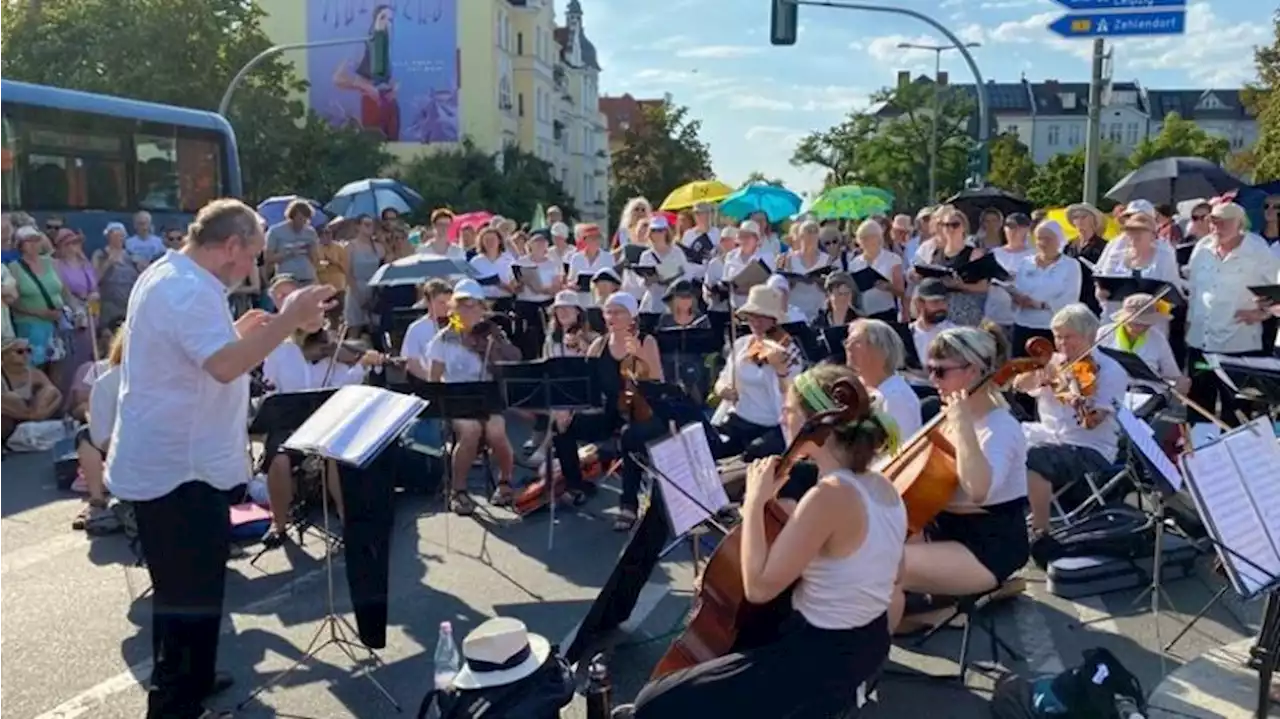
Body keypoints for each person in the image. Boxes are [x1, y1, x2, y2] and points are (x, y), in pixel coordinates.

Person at [105, 199, 335, 719]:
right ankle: (175, 705)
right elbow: (225, 367)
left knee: (202, 584)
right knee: (186, 595)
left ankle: (198, 677)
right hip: (176, 471)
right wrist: (287, 320)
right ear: (230, 246)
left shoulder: (173, 273)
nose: (254, 267)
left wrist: (241, 332)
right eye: (253, 254)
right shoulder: (186, 289)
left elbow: (199, 355)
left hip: (183, 463)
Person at [624, 364, 905, 718]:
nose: (782, 416)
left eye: (788, 409)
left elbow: (757, 588)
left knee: (654, 703)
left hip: (821, 660)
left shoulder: (829, 496)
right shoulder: (884, 486)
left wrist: (756, 504)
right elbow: (892, 576)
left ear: (813, 425)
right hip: (869, 644)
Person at [895, 324, 1029, 627]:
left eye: (941, 372)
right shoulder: (946, 414)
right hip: (943, 530)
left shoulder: (1001, 429)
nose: (932, 379)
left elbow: (978, 490)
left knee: (879, 563)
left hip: (985, 546)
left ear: (972, 371)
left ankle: (949, 611)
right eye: (930, 370)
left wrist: (964, 426)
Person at [548, 291, 667, 531]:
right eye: (608, 312)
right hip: (612, 410)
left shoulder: (646, 341)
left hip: (646, 410)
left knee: (629, 435)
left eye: (619, 311)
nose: (612, 316)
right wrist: (566, 410)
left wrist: (639, 356)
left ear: (632, 316)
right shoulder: (598, 345)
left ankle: (628, 504)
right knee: (561, 428)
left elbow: (658, 381)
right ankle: (575, 485)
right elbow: (584, 385)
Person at [1012, 304, 1128, 535]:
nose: (1062, 344)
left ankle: (1040, 529)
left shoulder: (1110, 370)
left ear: (1091, 336)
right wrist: (1039, 378)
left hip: (1089, 448)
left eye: (1069, 337)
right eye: (1058, 337)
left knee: (1036, 456)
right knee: (1001, 437)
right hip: (1049, 434)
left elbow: (1093, 422)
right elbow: (1018, 385)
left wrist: (1081, 402)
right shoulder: (1053, 363)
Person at [425, 279, 520, 516]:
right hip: (457, 397)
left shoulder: (491, 333)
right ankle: (459, 490)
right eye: (463, 305)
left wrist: (496, 347)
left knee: (496, 431)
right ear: (453, 308)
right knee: (470, 431)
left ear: (482, 308)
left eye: (474, 305)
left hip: (488, 394)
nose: (469, 310)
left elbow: (515, 359)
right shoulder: (444, 339)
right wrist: (439, 403)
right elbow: (434, 379)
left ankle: (506, 481)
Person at [709, 286, 804, 461]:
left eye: (763, 317)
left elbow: (791, 396)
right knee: (710, 447)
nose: (756, 322)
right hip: (738, 419)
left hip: (770, 425)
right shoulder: (741, 345)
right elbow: (723, 379)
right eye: (753, 316)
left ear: (775, 320)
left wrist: (781, 371)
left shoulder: (788, 351)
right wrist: (723, 389)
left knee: (753, 454)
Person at [1008, 220, 1082, 357]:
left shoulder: (1070, 265)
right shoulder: (1025, 262)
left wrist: (1041, 305)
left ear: (1059, 240)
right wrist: (1017, 297)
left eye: (1047, 239)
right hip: (1023, 325)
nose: (1042, 243)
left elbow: (1070, 298)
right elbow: (1017, 287)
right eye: (1039, 238)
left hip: (1052, 328)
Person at [846, 318, 921, 439]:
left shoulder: (896, 398)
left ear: (879, 350)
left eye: (856, 342)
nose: (848, 347)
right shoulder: (855, 388)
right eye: (847, 342)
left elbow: (901, 450)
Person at [0, 336, 62, 447]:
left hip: (34, 416)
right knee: (11, 398)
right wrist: (25, 414)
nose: (25, 355)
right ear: (4, 356)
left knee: (49, 391)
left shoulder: (35, 374)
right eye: (19, 352)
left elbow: (55, 395)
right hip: (10, 421)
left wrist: (40, 414)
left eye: (28, 351)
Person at [848, 219, 905, 323]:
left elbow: (901, 291)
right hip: (863, 314)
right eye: (863, 238)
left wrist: (888, 286)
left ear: (879, 238)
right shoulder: (854, 263)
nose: (868, 241)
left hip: (886, 313)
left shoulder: (892, 259)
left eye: (871, 237)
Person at [264, 200, 320, 286]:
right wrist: (288, 253)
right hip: (285, 279)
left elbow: (316, 259)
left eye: (306, 220)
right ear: (292, 216)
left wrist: (311, 250)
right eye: (300, 218)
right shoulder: (275, 231)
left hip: (308, 278)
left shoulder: (310, 232)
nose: (302, 223)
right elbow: (268, 258)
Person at [908, 279, 956, 365]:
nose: (941, 307)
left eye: (944, 301)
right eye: (935, 302)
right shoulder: (907, 335)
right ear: (919, 303)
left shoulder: (955, 334)